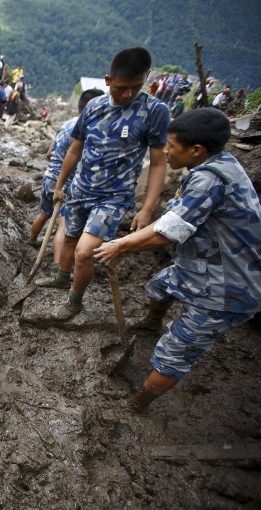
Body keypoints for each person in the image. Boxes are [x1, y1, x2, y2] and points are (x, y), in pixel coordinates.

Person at [93, 108, 261, 413]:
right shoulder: (218, 164)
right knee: (160, 286)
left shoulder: (210, 181)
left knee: (176, 351)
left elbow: (166, 233)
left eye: (171, 146)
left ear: (196, 150)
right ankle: (151, 323)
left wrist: (119, 245)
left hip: (227, 288)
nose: (165, 151)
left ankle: (136, 404)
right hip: (202, 266)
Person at [37, 47, 169, 320]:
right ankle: (62, 277)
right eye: (121, 88)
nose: (127, 94)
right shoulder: (94, 107)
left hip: (113, 197)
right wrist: (61, 184)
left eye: (135, 87)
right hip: (79, 190)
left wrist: (147, 208)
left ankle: (75, 301)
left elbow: (157, 163)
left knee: (86, 252)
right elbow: (75, 149)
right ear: (108, 80)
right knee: (71, 239)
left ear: (147, 78)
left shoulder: (154, 111)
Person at [29, 90, 105, 279]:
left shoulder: (66, 124)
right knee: (63, 225)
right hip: (66, 183)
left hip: (49, 177)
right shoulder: (88, 130)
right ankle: (57, 267)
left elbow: (49, 153)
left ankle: (31, 241)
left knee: (44, 214)